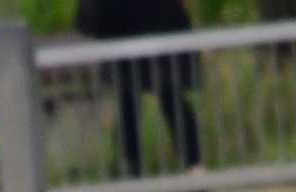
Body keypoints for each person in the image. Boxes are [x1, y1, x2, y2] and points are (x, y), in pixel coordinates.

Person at [75, 0, 204, 180]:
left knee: (160, 100)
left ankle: (138, 169)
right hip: (140, 31)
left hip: (144, 32)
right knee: (142, 102)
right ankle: (135, 168)